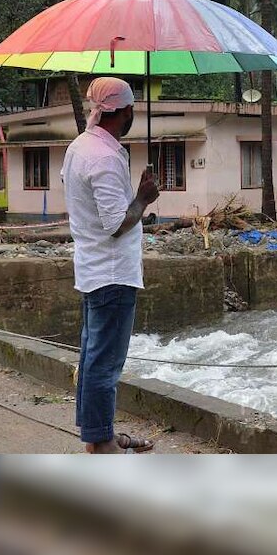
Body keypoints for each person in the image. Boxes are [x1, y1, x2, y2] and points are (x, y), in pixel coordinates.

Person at [62, 77, 160, 454]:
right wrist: (143, 199)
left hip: (92, 269)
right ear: (124, 112)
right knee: (105, 363)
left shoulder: (81, 147)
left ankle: (97, 433)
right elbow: (116, 223)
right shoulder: (103, 157)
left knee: (91, 357)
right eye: (133, 109)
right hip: (113, 273)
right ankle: (102, 444)